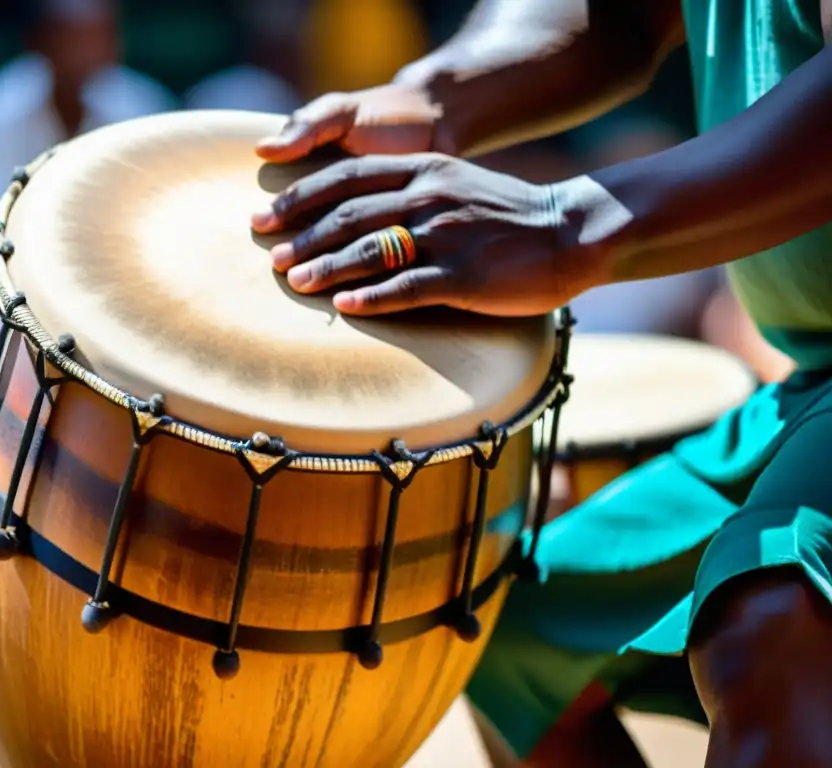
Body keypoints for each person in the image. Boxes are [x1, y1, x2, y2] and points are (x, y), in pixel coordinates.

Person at [248, 0, 832, 765]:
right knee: (506, 641)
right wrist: (434, 95)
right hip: (811, 384)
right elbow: (619, 15)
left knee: (774, 621)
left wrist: (568, 224)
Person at [0, 0, 177, 238]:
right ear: (38, 42)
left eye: (97, 37)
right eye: (71, 39)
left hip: (115, 253)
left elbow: (154, 213)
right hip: (2, 257)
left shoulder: (145, 106)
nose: (85, 52)